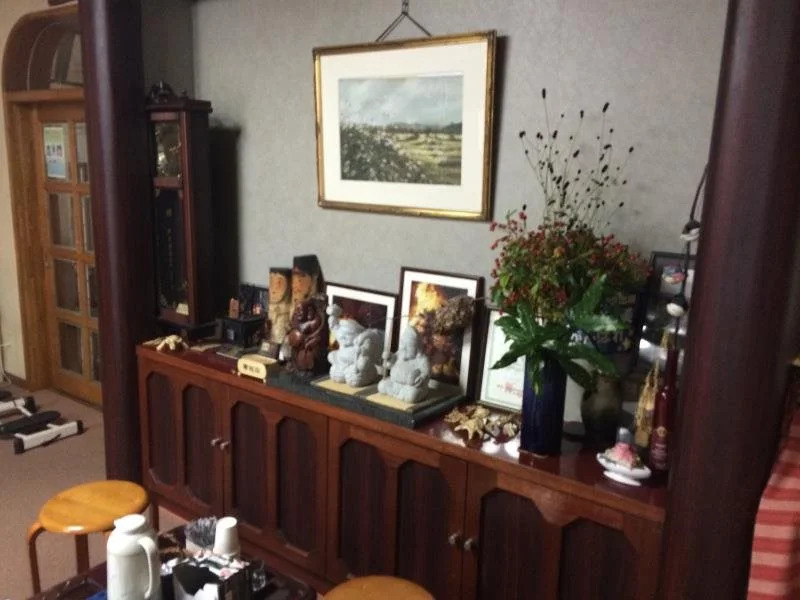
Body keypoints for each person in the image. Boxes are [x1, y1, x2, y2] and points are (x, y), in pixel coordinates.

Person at [378, 325, 431, 403]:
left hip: (409, 387)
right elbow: (389, 366)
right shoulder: (400, 353)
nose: (404, 348)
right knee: (382, 385)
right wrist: (389, 359)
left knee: (412, 396)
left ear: (417, 346)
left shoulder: (421, 359)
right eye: (403, 344)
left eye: (409, 345)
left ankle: (403, 394)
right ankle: (399, 394)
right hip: (395, 383)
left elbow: (427, 373)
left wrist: (421, 378)